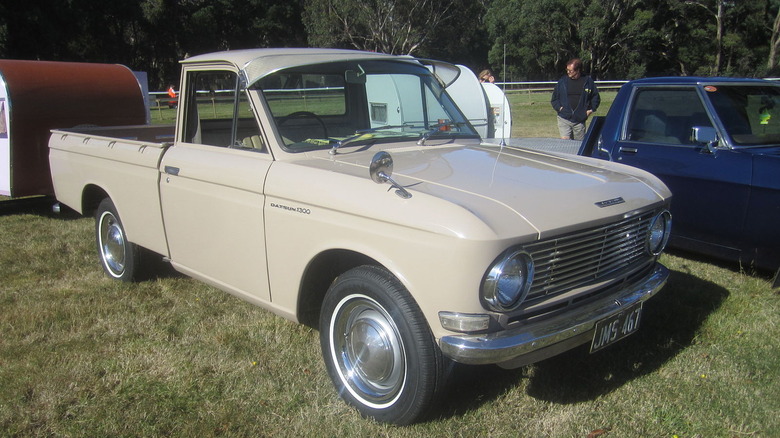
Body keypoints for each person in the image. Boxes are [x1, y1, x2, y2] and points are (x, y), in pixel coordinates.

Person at [551, 58, 600, 140]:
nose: (568, 72)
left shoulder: (588, 82)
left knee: (578, 145)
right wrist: (560, 108)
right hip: (564, 118)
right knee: (565, 143)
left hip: (579, 121)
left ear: (578, 70)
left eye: (570, 70)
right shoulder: (562, 81)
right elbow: (554, 99)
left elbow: (596, 98)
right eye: (567, 70)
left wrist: (589, 111)